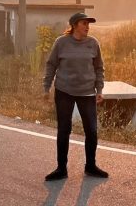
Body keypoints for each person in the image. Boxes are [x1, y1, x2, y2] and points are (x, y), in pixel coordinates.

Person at [42, 12, 108, 181]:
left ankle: (91, 166)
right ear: (74, 25)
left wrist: (99, 89)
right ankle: (61, 168)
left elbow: (99, 68)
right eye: (84, 23)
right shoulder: (61, 43)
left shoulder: (93, 43)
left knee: (92, 131)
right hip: (64, 91)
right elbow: (51, 65)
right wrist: (46, 87)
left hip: (87, 92)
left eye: (88, 24)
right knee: (64, 130)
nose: (87, 27)